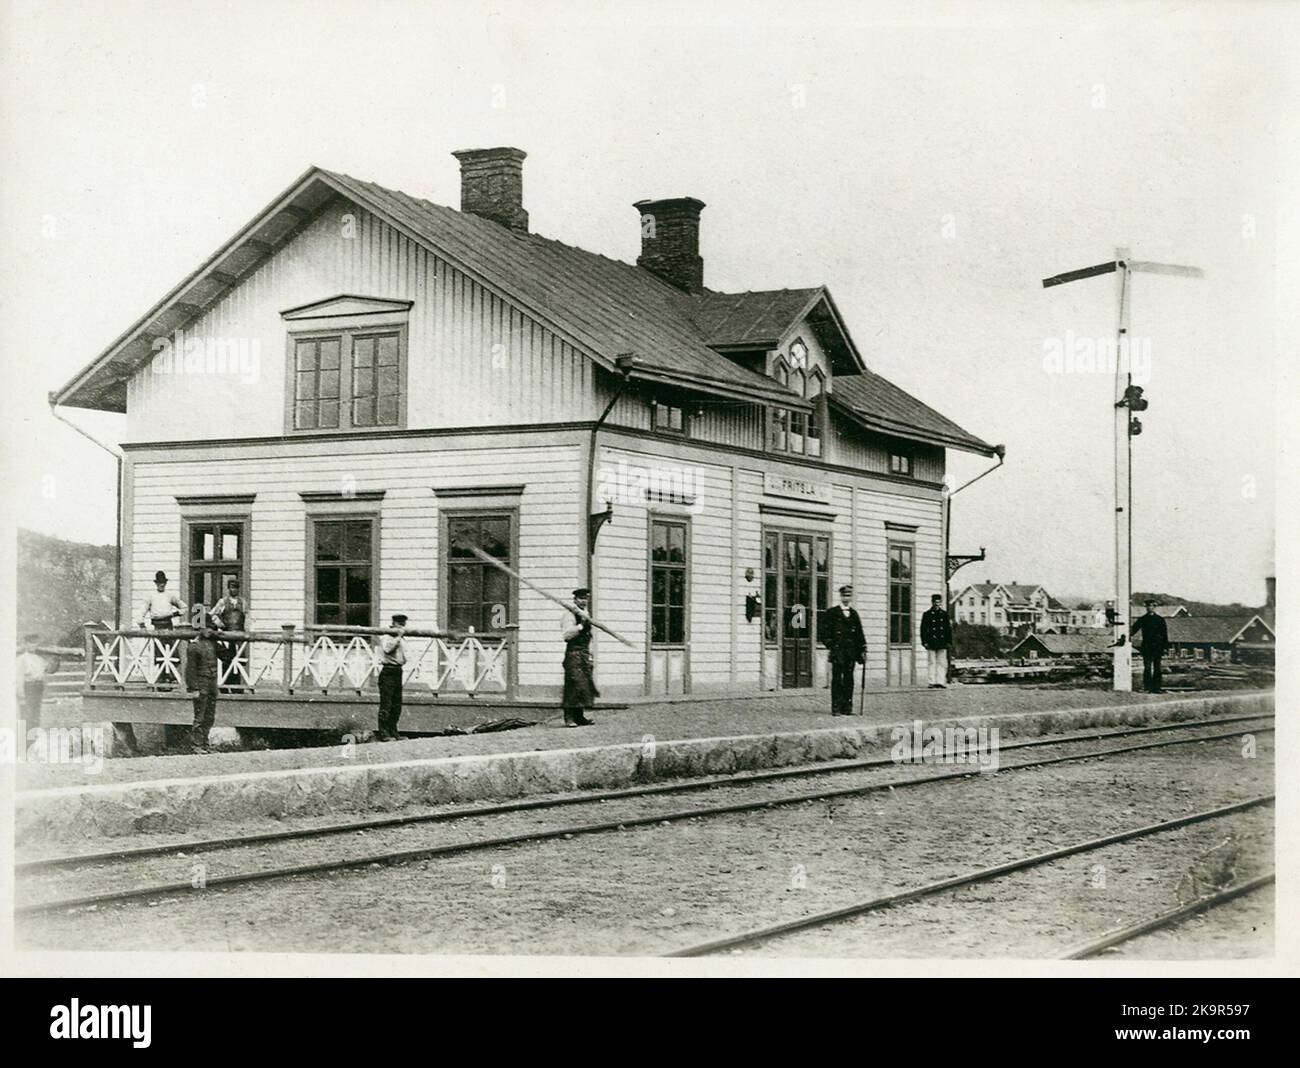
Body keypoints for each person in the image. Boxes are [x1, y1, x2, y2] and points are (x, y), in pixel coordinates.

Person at [820, 584, 866, 715]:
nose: (847, 598)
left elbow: (859, 634)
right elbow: (824, 632)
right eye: (844, 595)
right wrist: (830, 644)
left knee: (848, 679)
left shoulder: (854, 614)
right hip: (837, 652)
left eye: (849, 595)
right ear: (840, 596)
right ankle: (836, 707)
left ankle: (847, 708)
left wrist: (863, 649)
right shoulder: (832, 613)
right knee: (836, 680)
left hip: (850, 652)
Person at [138, 570, 186, 687]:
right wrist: (142, 625)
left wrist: (175, 614)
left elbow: (184, 607)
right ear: (156, 583)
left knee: (171, 652)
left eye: (163, 582)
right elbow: (141, 612)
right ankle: (161, 678)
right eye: (159, 582)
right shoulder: (151, 597)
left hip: (168, 626)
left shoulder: (170, 596)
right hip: (157, 627)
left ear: (165, 583)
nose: (161, 585)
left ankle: (171, 676)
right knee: (158, 653)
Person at [561, 588, 598, 727]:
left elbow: (590, 637)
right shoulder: (569, 615)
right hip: (573, 654)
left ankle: (579, 716)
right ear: (575, 599)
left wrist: (591, 655)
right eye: (581, 598)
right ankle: (569, 718)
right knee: (573, 685)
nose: (584, 601)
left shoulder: (585, 614)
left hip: (584, 653)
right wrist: (581, 626)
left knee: (584, 686)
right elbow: (566, 635)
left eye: (586, 598)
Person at [185, 616, 220, 752]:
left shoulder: (213, 644)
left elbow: (227, 656)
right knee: (199, 716)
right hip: (201, 683)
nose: (209, 631)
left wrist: (230, 641)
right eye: (207, 628)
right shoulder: (194, 647)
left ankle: (205, 743)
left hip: (212, 683)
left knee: (210, 716)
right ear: (200, 629)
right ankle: (197, 745)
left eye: (211, 629)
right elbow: (190, 670)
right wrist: (194, 688)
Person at [210, 578, 248, 688]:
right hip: (227, 636)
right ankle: (226, 685)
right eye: (232, 587)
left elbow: (247, 617)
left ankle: (237, 686)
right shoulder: (223, 602)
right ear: (228, 588)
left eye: (236, 587)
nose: (234, 590)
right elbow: (212, 614)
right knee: (227, 659)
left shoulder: (243, 602)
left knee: (239, 659)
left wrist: (246, 630)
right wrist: (220, 624)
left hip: (239, 635)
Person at [376, 614, 407, 741]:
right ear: (394, 624)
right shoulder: (387, 636)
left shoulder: (401, 639)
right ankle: (384, 733)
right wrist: (398, 637)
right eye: (399, 624)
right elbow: (388, 649)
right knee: (386, 704)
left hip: (397, 671)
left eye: (403, 625)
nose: (401, 627)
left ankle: (394, 732)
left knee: (396, 704)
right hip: (388, 671)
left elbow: (402, 656)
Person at [1130, 600, 1169, 693]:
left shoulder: (1160, 619)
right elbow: (1133, 630)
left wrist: (1165, 647)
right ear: (1146, 608)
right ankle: (1147, 687)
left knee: (1157, 668)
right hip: (1147, 647)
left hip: (1157, 647)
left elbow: (1164, 634)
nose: (1150, 608)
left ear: (1154, 607)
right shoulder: (1143, 619)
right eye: (1148, 606)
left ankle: (1157, 688)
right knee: (1147, 668)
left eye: (1152, 606)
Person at [920, 593, 954, 688]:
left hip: (942, 642)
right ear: (932, 603)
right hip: (931, 642)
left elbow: (948, 629)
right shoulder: (927, 614)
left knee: (941, 662)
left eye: (939, 602)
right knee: (931, 662)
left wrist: (949, 642)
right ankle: (931, 682)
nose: (937, 604)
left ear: (941, 603)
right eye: (935, 602)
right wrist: (924, 642)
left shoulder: (944, 614)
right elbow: (923, 629)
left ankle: (940, 681)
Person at [16, 635, 48, 728]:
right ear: (25, 644)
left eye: (35, 643)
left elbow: (47, 670)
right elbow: (19, 677)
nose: (33, 645)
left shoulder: (39, 659)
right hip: (28, 688)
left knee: (36, 714)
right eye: (30, 643)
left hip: (37, 688)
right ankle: (23, 739)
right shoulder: (21, 659)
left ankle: (32, 739)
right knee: (26, 714)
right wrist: (21, 695)